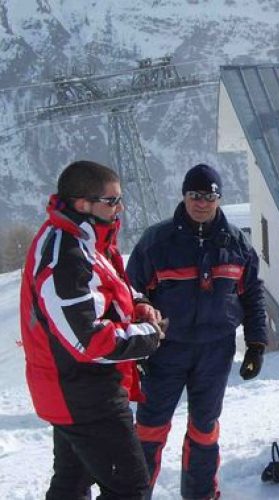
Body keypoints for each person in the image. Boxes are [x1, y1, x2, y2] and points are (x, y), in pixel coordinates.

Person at [19, 160, 164, 500]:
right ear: (82, 203)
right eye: (111, 201)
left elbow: (107, 291)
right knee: (130, 489)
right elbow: (88, 341)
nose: (120, 208)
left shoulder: (88, 238)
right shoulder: (65, 255)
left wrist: (138, 305)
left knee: (71, 483)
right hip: (82, 393)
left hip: (75, 388)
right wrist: (149, 335)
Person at [127, 163, 268, 499]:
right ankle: (133, 494)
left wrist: (256, 343)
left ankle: (201, 494)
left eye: (209, 196)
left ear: (218, 198)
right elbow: (129, 294)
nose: (201, 203)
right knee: (149, 430)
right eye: (195, 195)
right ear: (184, 196)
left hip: (215, 351)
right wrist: (137, 349)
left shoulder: (237, 244)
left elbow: (253, 294)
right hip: (165, 352)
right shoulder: (157, 242)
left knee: (205, 430)